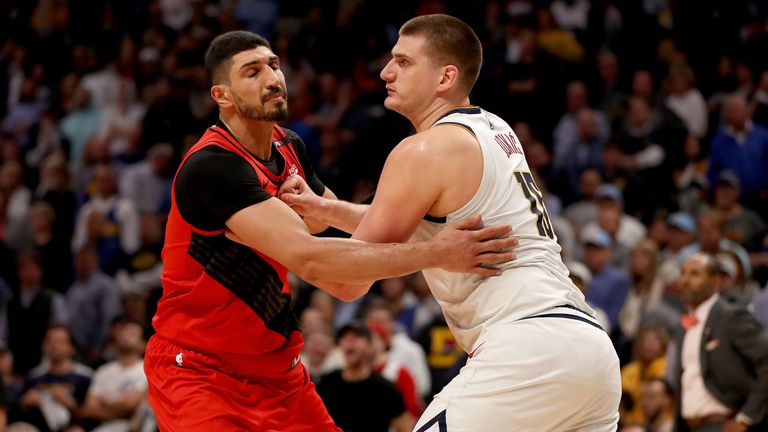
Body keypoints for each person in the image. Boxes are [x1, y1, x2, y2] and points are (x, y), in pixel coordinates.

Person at [143, 30, 519, 432]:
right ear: (222, 95)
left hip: (278, 372)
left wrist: (309, 212)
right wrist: (436, 252)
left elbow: (326, 226)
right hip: (200, 370)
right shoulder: (212, 166)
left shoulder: (289, 146)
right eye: (252, 72)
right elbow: (313, 257)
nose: (272, 78)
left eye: (274, 65)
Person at [280, 14, 621, 430]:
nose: (386, 71)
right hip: (589, 348)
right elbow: (416, 220)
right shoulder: (494, 128)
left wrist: (269, 237)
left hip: (527, 346)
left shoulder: (423, 149)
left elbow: (348, 280)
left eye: (403, 62)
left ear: (445, 77)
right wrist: (327, 209)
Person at [671, 253, 768, 432]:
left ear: (716, 281)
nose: (684, 280)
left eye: (695, 274)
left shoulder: (731, 316)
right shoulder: (683, 326)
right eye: (683, 273)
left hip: (723, 423)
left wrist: (746, 417)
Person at [316, 322, 413, 432]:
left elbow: (406, 427)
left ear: (370, 345)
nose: (349, 341)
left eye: (356, 337)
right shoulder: (327, 383)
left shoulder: (386, 389)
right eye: (344, 337)